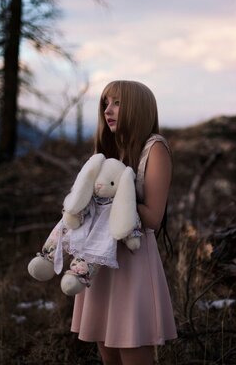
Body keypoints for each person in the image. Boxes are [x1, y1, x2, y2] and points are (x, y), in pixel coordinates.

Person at [70, 80, 177, 364]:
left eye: (117, 102)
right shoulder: (109, 148)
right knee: (109, 353)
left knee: (132, 351)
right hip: (100, 258)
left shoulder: (154, 149)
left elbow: (153, 217)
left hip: (132, 260)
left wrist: (114, 199)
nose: (108, 110)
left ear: (137, 108)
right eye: (106, 103)